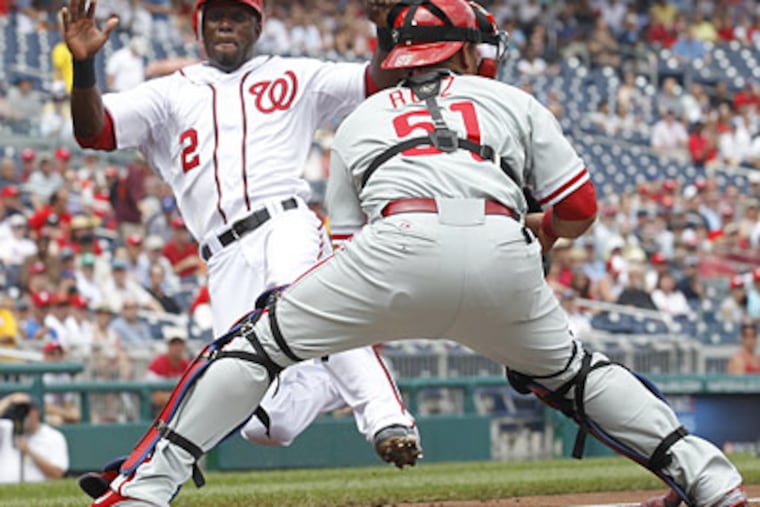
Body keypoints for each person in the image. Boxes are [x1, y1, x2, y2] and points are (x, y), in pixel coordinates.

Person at [82, 2, 748, 507]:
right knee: (574, 373)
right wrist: (537, 230)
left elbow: (345, 240)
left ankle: (147, 489)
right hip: (502, 252)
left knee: (254, 347)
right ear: (464, 53)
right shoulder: (512, 99)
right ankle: (710, 481)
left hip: (385, 245)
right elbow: (580, 210)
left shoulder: (362, 119)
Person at [63, 0, 418, 491]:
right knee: (266, 423)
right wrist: (84, 67)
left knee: (298, 307)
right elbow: (92, 129)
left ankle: (387, 420)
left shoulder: (295, 75)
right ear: (199, 27)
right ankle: (324, 377)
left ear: (258, 26)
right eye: (216, 16)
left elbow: (376, 82)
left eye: (238, 15)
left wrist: (384, 35)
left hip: (284, 222)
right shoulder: (168, 93)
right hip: (222, 255)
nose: (226, 23)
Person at [0, 392, 69, 483]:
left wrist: (29, 452)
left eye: (26, 411)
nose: (23, 415)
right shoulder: (6, 429)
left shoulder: (53, 436)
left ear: (36, 413)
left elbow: (57, 474)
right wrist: (10, 400)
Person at [144, 327, 191, 413]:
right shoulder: (157, 364)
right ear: (168, 346)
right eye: (174, 344)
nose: (177, 348)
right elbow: (153, 396)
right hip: (158, 412)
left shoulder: (187, 365)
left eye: (180, 344)